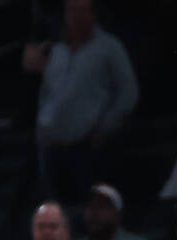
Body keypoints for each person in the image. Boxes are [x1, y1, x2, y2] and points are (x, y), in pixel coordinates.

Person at [27, 0, 137, 201]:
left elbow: (128, 91)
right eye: (71, 10)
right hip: (48, 144)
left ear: (94, 14)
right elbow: (48, 91)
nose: (76, 16)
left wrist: (105, 127)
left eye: (82, 10)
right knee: (53, 211)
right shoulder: (57, 49)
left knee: (87, 208)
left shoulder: (109, 47)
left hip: (85, 145)